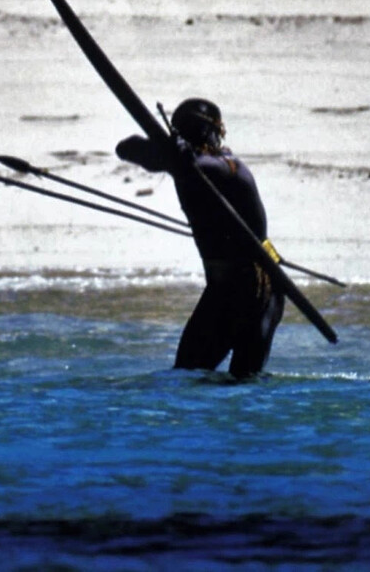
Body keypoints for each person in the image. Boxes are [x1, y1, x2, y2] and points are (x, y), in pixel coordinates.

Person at [116, 98, 285, 378]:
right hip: (220, 289)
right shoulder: (182, 162)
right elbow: (125, 148)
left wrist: (179, 156)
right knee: (185, 375)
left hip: (259, 287)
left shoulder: (226, 167)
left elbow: (202, 166)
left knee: (245, 382)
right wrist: (168, 149)